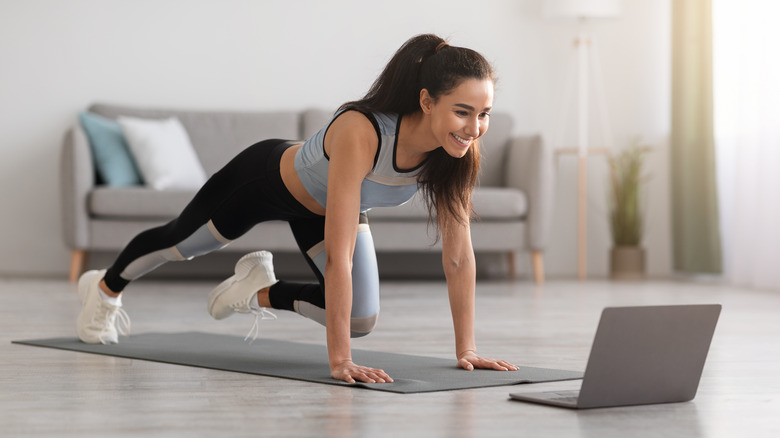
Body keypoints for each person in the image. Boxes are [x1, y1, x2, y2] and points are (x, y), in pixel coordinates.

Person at [76, 33, 519, 384]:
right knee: (181, 244)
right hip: (264, 181)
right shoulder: (362, 131)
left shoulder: (456, 154)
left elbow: (459, 256)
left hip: (328, 209)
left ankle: (254, 290)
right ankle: (103, 290)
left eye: (485, 114)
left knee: (361, 318)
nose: (475, 128)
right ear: (427, 101)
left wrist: (468, 350)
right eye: (464, 112)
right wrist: (341, 360)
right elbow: (341, 254)